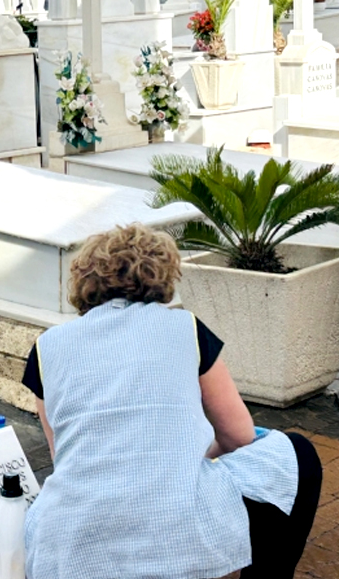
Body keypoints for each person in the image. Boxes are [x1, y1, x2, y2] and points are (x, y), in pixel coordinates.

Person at [21, 224, 322, 579]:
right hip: (174, 521)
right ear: (162, 274)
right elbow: (239, 436)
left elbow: (65, 457)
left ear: (83, 279)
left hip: (71, 534)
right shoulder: (187, 329)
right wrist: (184, 458)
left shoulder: (47, 347)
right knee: (296, 453)